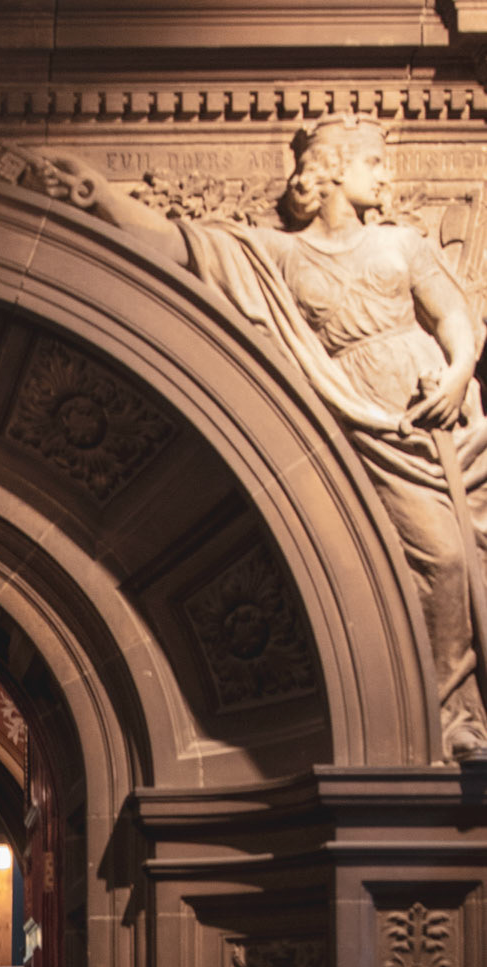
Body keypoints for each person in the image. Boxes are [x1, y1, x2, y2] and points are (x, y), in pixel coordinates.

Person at [30, 117, 487, 761]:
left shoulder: (402, 244)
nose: (386, 174)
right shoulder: (281, 255)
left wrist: (461, 368)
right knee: (438, 558)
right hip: (359, 416)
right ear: (331, 169)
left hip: (435, 417)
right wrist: (101, 195)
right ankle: (435, 712)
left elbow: (455, 315)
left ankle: (459, 719)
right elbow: (183, 243)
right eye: (374, 162)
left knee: (462, 562)